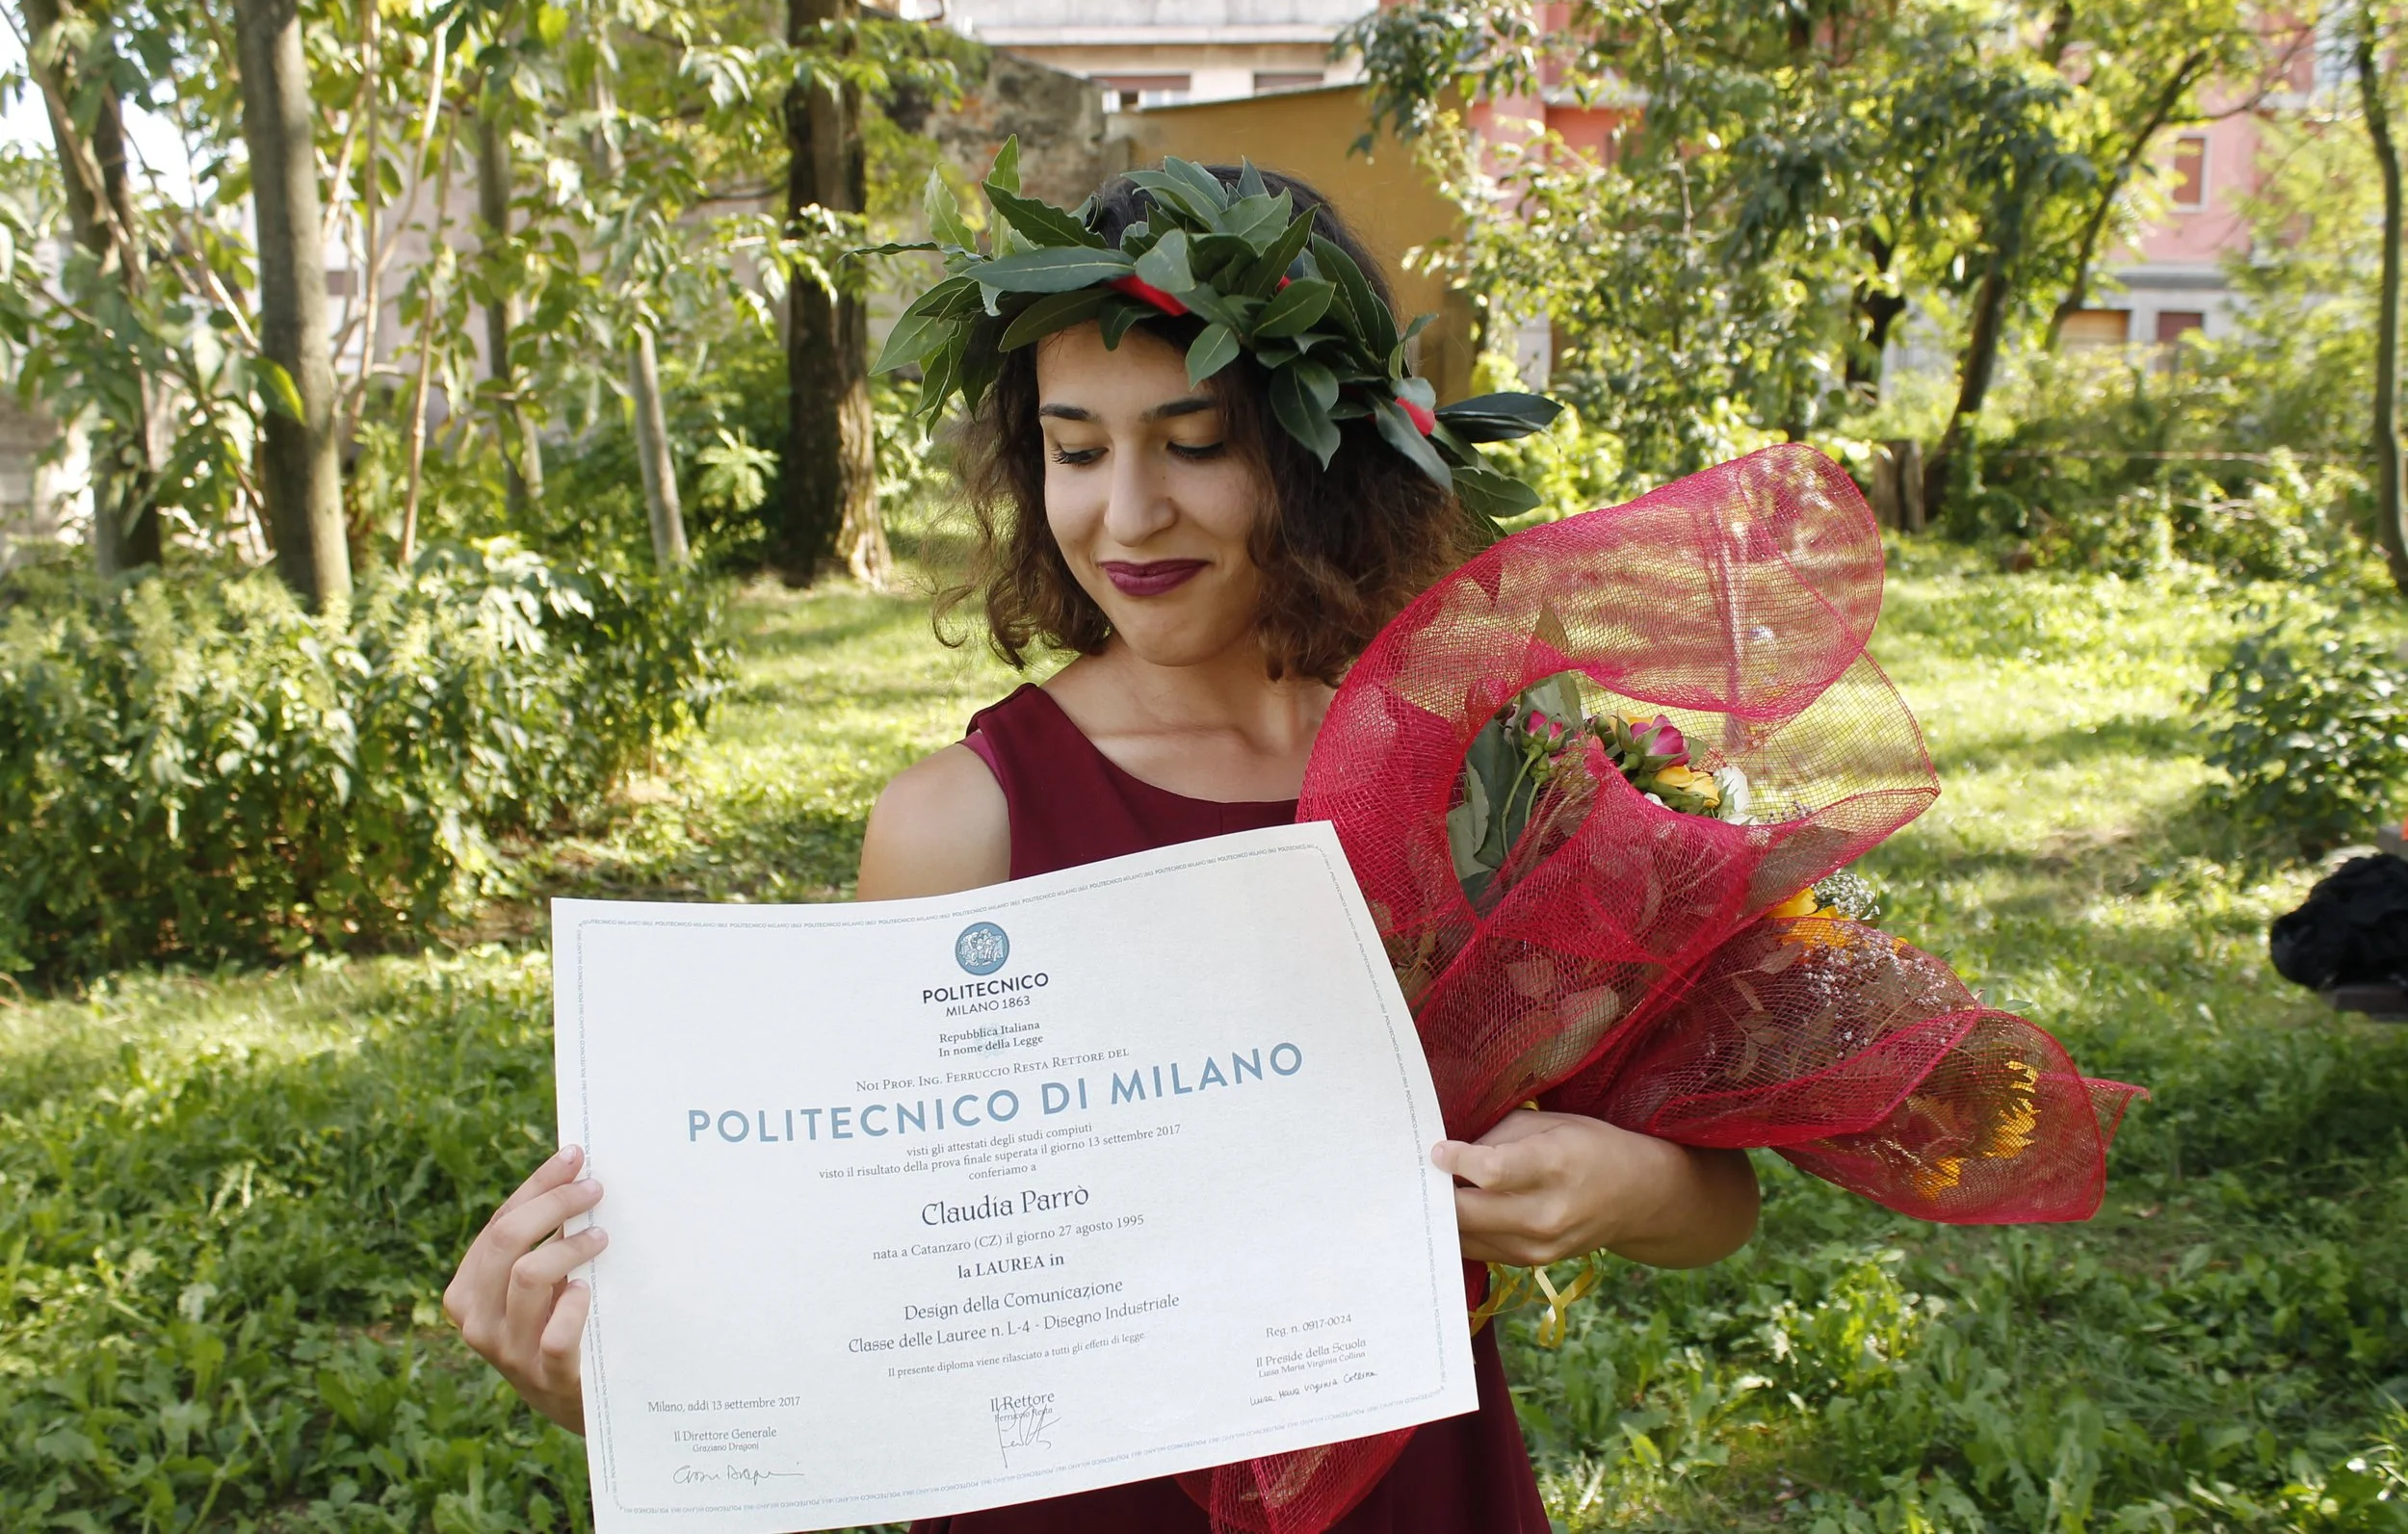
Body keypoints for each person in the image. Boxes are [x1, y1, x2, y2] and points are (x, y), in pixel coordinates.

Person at [442, 166, 1762, 1532]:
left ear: (1326, 456)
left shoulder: (1481, 776)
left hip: (1410, 1486)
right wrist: (634, 1393)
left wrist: (1621, 1183)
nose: (1126, 517)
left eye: (1193, 442)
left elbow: (1719, 1195)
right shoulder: (961, 826)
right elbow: (894, 1278)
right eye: (1077, 449)